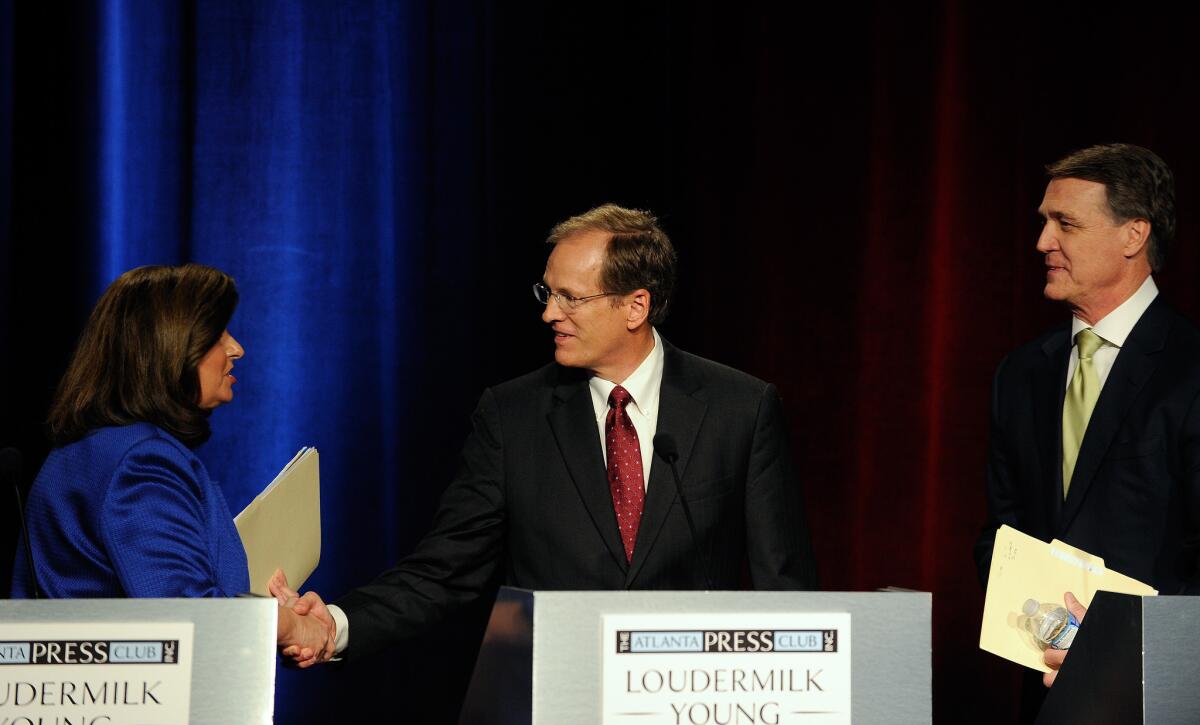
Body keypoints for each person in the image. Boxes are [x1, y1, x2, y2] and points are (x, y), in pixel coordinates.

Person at [276, 203, 817, 663]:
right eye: (547, 293)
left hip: (689, 697)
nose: (549, 314)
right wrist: (334, 626)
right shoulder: (514, 416)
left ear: (635, 306)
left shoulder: (739, 408)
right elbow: (446, 570)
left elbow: (784, 586)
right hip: (553, 695)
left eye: (571, 297)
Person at [11, 264, 331, 662]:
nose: (236, 349)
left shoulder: (88, 449)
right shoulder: (141, 461)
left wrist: (259, 608)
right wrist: (290, 625)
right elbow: (191, 619)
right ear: (171, 345)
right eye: (219, 335)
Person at [974, 144, 1200, 697]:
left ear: (1133, 235)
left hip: (1163, 690)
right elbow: (1002, 534)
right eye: (1045, 222)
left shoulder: (1190, 369)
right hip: (1047, 687)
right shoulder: (1022, 373)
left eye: (1065, 224)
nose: (1042, 242)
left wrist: (1117, 652)